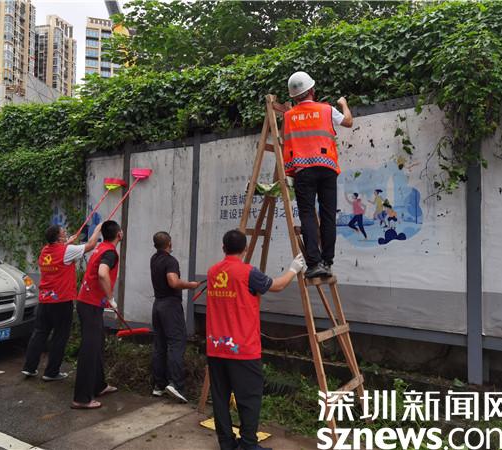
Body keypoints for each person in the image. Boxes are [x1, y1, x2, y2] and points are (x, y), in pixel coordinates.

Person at [206, 229, 306, 450]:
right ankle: (248, 444)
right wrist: (293, 269)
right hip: (242, 349)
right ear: (246, 249)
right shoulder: (248, 273)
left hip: (216, 347)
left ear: (223, 248)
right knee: (249, 398)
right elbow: (277, 285)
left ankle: (226, 444)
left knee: (220, 399)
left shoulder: (212, 272)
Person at [284, 71, 353, 278]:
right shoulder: (326, 110)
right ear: (312, 90)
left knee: (307, 215)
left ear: (294, 96)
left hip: (303, 171)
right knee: (328, 215)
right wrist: (343, 104)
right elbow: (348, 121)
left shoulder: (288, 116)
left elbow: (287, 143)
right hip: (327, 168)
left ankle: (314, 264)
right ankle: (327, 262)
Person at [22, 222, 102, 381]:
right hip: (61, 301)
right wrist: (99, 227)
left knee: (39, 334)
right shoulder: (67, 251)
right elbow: (91, 245)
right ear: (59, 238)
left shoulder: (45, 251)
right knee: (60, 336)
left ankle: (29, 368)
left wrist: (67, 243)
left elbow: (59, 254)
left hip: (45, 300)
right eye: (63, 232)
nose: (66, 232)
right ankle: (51, 372)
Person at [72, 220, 122, 409]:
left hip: (87, 303)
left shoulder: (101, 247)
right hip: (90, 305)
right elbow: (102, 273)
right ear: (119, 235)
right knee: (89, 351)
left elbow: (93, 242)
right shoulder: (110, 253)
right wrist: (111, 298)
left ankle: (99, 385)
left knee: (98, 343)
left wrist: (99, 227)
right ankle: (81, 398)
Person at [149, 231, 200, 403]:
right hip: (170, 306)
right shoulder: (170, 261)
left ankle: (159, 385)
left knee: (160, 345)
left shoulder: (154, 259)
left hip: (158, 305)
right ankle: (176, 385)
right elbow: (173, 281)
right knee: (176, 343)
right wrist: (190, 285)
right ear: (169, 243)